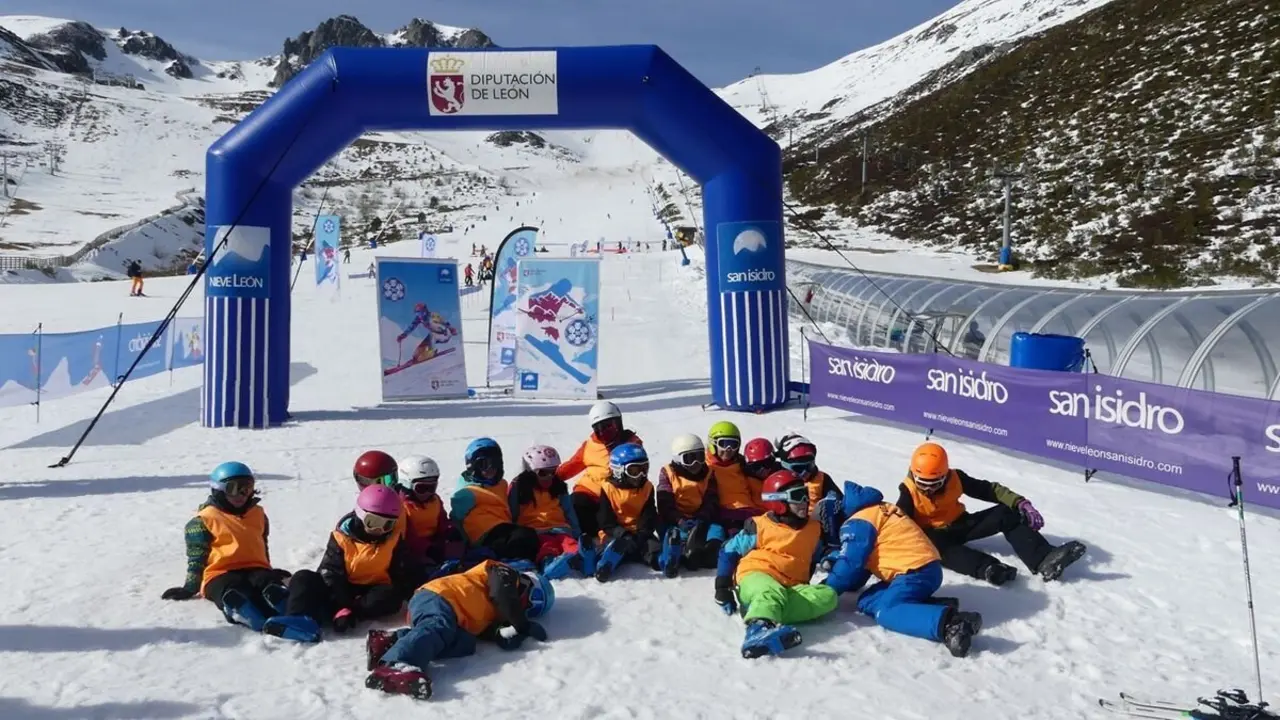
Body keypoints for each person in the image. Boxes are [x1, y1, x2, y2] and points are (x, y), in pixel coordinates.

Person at [823, 480, 984, 657]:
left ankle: (951, 624)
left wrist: (825, 591)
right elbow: (857, 572)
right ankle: (927, 607)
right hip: (922, 568)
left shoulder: (856, 523)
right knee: (866, 600)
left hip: (915, 571)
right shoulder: (874, 511)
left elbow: (850, 563)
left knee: (886, 611)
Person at [896, 442, 1086, 585]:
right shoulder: (908, 493)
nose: (928, 490)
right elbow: (898, 527)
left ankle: (1043, 558)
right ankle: (989, 569)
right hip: (935, 537)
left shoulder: (956, 478)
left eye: (934, 484)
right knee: (939, 550)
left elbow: (989, 490)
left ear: (944, 475)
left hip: (961, 524)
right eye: (923, 483)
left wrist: (1019, 502)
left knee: (1006, 513)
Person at [364, 560, 555, 700]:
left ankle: (391, 640)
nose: (527, 605)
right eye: (534, 597)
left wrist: (502, 634)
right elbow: (502, 593)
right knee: (439, 627)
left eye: (533, 609)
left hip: (448, 614)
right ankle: (395, 664)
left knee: (465, 643)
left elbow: (486, 629)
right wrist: (522, 624)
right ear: (528, 582)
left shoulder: (497, 612)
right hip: (439, 598)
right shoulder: (504, 573)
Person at [265, 485, 418, 642]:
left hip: (368, 595)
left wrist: (410, 593)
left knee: (391, 596)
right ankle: (298, 617)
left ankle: (310, 606)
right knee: (303, 576)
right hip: (338, 587)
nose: (380, 529)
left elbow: (401, 573)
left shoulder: (393, 541)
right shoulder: (342, 537)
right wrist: (342, 606)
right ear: (360, 513)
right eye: (373, 522)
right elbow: (330, 571)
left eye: (388, 524)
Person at [713, 470, 838, 658]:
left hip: (792, 586)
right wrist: (722, 586)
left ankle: (761, 608)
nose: (805, 500)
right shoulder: (760, 525)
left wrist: (833, 556)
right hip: (757, 576)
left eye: (805, 494)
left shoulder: (813, 529)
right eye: (797, 496)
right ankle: (757, 630)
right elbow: (729, 550)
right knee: (770, 591)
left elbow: (820, 553)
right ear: (778, 502)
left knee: (828, 597)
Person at [160, 462, 294, 635]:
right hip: (219, 573)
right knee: (232, 588)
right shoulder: (204, 520)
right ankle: (241, 610)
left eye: (246, 488)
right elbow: (197, 558)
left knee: (266, 582)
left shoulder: (258, 514)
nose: (240, 495)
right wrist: (189, 587)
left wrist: (268, 569)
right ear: (218, 489)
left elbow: (261, 544)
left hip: (254, 568)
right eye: (233, 488)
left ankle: (283, 605)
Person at [556, 401, 643, 546]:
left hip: (614, 496)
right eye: (599, 429)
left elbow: (639, 468)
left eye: (609, 426)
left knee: (618, 515)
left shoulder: (632, 444)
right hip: (590, 493)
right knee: (574, 506)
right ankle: (584, 539)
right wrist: (550, 476)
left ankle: (613, 536)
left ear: (618, 423)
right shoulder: (591, 445)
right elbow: (572, 466)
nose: (604, 433)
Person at [449, 438, 539, 562]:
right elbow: (455, 520)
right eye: (483, 464)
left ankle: (531, 561)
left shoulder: (501, 484)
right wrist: (463, 546)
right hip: (483, 535)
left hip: (503, 528)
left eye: (495, 463)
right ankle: (510, 563)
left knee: (527, 535)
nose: (490, 469)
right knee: (522, 536)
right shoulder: (466, 492)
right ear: (472, 466)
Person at [508, 445, 582, 579]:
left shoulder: (558, 486)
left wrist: (577, 533)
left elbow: (568, 510)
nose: (549, 477)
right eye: (543, 473)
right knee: (547, 546)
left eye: (553, 471)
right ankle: (549, 565)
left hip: (560, 528)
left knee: (570, 543)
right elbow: (511, 511)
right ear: (530, 470)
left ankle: (582, 559)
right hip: (536, 531)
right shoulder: (519, 487)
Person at [655, 434, 723, 575]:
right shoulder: (668, 473)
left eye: (699, 457)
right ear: (678, 459)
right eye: (689, 459)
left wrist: (702, 517)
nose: (696, 464)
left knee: (717, 528)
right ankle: (675, 552)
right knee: (668, 529)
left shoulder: (709, 473)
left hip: (701, 519)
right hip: (675, 519)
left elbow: (712, 499)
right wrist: (679, 520)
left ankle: (710, 550)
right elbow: (664, 502)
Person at [594, 443, 661, 582]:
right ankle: (606, 565)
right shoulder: (608, 488)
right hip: (616, 534)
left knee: (653, 546)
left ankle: (662, 561)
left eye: (644, 469)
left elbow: (649, 514)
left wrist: (642, 533)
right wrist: (623, 534)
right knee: (612, 547)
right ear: (619, 470)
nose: (640, 475)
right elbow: (606, 521)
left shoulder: (647, 487)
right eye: (634, 471)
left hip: (639, 533)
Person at [393, 455, 459, 569]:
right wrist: (428, 550)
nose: (428, 493)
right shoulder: (400, 506)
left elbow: (442, 521)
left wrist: (449, 531)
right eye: (422, 488)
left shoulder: (435, 501)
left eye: (432, 488)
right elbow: (408, 536)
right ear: (406, 484)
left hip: (435, 546)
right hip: (413, 551)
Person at [705, 421, 760, 529]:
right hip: (723, 516)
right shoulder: (704, 466)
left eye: (733, 444)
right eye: (723, 444)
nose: (728, 449)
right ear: (713, 444)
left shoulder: (743, 464)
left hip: (751, 513)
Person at [775, 433, 843, 514]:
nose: (805, 473)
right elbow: (767, 500)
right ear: (785, 466)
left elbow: (838, 501)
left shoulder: (822, 479)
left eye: (809, 467)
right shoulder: (777, 481)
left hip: (815, 523)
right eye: (798, 468)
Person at [741, 437, 780, 509]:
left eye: (767, 463)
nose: (763, 469)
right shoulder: (744, 480)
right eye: (756, 466)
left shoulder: (781, 476)